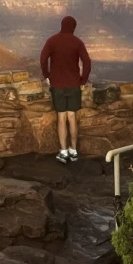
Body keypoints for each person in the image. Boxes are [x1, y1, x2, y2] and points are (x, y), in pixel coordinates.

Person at [40, 15, 91, 164]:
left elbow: (43, 59)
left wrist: (47, 75)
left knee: (61, 118)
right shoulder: (77, 42)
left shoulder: (52, 40)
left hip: (57, 85)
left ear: (61, 25)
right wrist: (83, 80)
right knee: (72, 118)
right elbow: (87, 62)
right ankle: (73, 151)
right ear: (73, 27)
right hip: (74, 85)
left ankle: (63, 152)